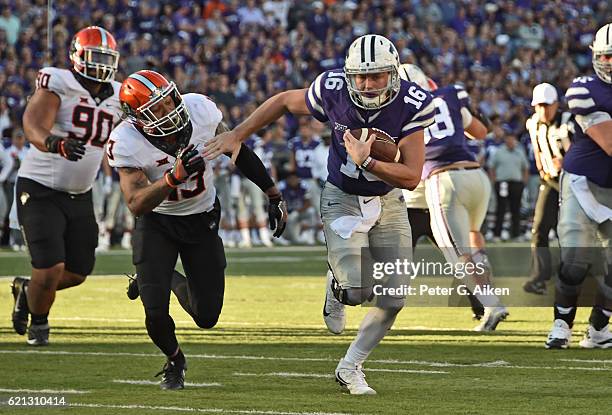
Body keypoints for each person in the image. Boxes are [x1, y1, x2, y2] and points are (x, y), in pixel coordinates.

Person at [205, 34, 435, 394]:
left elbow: (410, 176)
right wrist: (237, 133)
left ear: (393, 74)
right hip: (341, 197)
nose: (367, 84)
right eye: (360, 76)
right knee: (358, 290)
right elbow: (282, 101)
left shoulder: (412, 102)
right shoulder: (332, 88)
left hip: (388, 202)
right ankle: (337, 283)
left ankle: (350, 366)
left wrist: (369, 161)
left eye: (375, 76)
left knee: (395, 297)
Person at [108, 69, 287, 389]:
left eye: (168, 101)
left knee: (207, 317)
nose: (168, 111)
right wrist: (172, 178)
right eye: (156, 109)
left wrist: (272, 193)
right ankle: (175, 359)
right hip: (158, 223)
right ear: (137, 117)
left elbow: (236, 147)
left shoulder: (200, 111)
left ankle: (161, 278)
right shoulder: (127, 141)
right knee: (155, 311)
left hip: (202, 218)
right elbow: (135, 203)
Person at [10, 26, 122, 346]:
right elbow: (32, 123)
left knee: (77, 272)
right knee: (48, 268)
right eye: (95, 56)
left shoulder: (118, 94)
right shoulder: (59, 81)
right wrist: (53, 142)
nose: (101, 64)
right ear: (77, 56)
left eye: (106, 57)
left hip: (80, 193)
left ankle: (26, 291)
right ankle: (40, 327)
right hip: (41, 187)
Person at [399, 64, 506, 330]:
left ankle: (492, 303)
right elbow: (481, 132)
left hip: (443, 180)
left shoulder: (400, 109)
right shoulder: (450, 94)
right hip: (476, 176)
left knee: (457, 255)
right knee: (474, 240)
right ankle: (490, 298)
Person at [545, 24, 612, 349]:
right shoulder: (584, 88)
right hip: (584, 183)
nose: (610, 62)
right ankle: (561, 325)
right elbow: (610, 143)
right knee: (575, 261)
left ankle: (598, 329)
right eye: (605, 56)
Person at [523, 83, 572, 295]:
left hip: (573, 183)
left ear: (556, 105)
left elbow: (585, 150)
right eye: (539, 106)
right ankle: (540, 278)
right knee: (540, 228)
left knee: (569, 232)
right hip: (550, 181)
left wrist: (568, 162)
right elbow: (536, 146)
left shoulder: (569, 123)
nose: (543, 110)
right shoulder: (533, 123)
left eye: (547, 105)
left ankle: (571, 277)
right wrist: (541, 163)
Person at [488, 132, 529, 240]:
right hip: (503, 184)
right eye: (509, 139)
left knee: (515, 209)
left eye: (513, 139)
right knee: (501, 208)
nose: (511, 142)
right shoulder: (499, 152)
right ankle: (497, 234)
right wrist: (494, 180)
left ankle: (516, 234)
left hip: (516, 184)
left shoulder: (519, 152)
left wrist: (523, 182)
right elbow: (491, 167)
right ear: (505, 140)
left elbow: (525, 168)